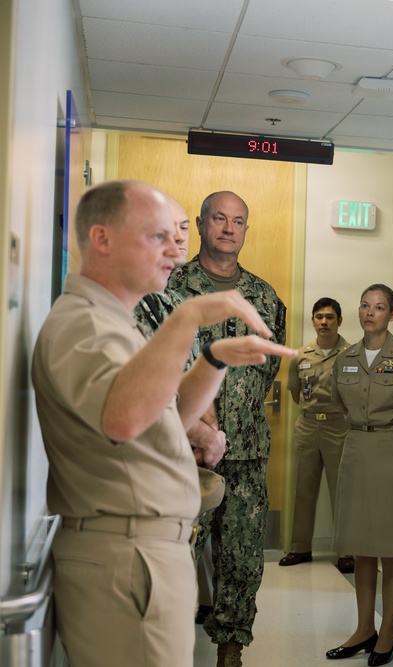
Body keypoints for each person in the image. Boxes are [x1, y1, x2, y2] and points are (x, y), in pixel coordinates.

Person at [31, 180, 295, 667]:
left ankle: (231, 646)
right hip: (122, 551)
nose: (171, 248)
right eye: (156, 236)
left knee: (240, 558)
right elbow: (127, 416)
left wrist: (213, 359)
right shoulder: (87, 323)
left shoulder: (118, 319)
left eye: (171, 236)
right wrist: (188, 319)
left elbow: (167, 410)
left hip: (150, 542)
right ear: (103, 239)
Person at [168, 190, 287, 667]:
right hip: (179, 452)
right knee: (174, 552)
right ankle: (167, 640)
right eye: (219, 218)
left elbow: (267, 370)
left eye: (238, 221)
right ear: (201, 223)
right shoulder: (171, 286)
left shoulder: (264, 296)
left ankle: (230, 648)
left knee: (241, 558)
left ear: (245, 230)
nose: (229, 228)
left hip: (245, 450)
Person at [324, 284, 393, 666]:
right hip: (355, 452)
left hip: (392, 454)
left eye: (380, 307)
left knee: (392, 548)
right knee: (361, 547)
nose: (370, 312)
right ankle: (363, 629)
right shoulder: (344, 360)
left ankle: (386, 632)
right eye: (365, 306)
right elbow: (340, 403)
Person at [132, 193, 224, 625]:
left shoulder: (167, 302)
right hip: (138, 490)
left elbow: (189, 377)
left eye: (186, 226)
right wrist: (203, 435)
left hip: (177, 479)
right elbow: (147, 398)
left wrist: (211, 429)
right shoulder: (124, 304)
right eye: (171, 227)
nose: (183, 237)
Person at [279, 297, 354, 572]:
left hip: (339, 428)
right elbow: (296, 393)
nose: (324, 322)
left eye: (330, 317)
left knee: (342, 491)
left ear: (339, 321)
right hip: (308, 427)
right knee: (303, 488)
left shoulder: (351, 354)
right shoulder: (299, 355)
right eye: (319, 316)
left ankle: (347, 551)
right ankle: (300, 548)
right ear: (313, 320)